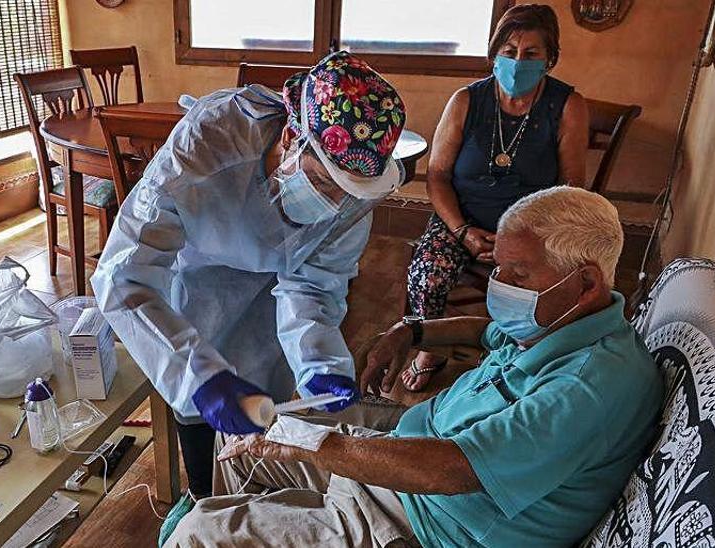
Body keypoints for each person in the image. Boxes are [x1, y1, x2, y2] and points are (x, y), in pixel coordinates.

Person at [164, 187, 663, 547]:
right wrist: (411, 331)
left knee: (196, 535)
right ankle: (264, 518)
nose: (500, 285)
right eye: (498, 268)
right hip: (397, 469)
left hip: (420, 524)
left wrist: (320, 444)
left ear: (586, 282)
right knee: (245, 448)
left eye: (518, 274)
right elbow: (482, 331)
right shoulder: (558, 325)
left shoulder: (589, 387)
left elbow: (458, 469)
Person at [92, 50, 407, 499]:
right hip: (201, 279)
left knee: (271, 409)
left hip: (273, 299)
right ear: (290, 137)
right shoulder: (208, 143)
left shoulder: (357, 190)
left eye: (345, 193)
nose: (333, 203)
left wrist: (321, 362)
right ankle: (204, 494)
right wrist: (196, 375)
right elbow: (126, 276)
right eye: (320, 182)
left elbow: (315, 284)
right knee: (202, 409)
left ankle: (253, 499)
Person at [402, 4, 590, 392]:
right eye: (508, 51)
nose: (517, 62)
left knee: (542, 289)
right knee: (427, 275)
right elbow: (437, 175)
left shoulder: (568, 106)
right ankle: (430, 350)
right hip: (462, 218)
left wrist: (518, 239)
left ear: (549, 59)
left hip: (529, 228)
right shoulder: (466, 101)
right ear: (494, 55)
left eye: (531, 54)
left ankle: (516, 356)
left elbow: (572, 188)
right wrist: (462, 230)